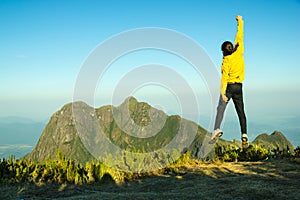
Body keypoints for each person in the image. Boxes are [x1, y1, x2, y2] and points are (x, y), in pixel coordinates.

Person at [212, 15, 248, 148]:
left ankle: (216, 129)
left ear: (223, 51)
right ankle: (244, 134)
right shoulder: (239, 51)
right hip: (239, 86)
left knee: (221, 107)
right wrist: (240, 21)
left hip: (230, 87)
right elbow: (240, 35)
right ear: (231, 47)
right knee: (241, 111)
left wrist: (222, 93)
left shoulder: (226, 61)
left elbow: (224, 78)